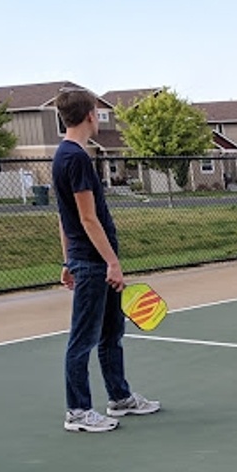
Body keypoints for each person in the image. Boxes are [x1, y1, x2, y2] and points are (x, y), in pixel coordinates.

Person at [53, 87, 160, 433]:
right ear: (89, 116)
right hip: (94, 263)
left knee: (112, 333)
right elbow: (86, 218)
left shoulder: (64, 156)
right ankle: (78, 411)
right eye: (98, 114)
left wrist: (66, 260)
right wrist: (111, 263)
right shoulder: (76, 159)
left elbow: (62, 217)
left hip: (86, 261)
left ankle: (120, 397)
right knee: (83, 338)